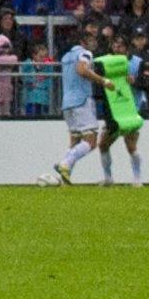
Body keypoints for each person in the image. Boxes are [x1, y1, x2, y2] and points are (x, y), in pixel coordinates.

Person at [47, 36, 111, 186]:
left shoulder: (66, 57)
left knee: (75, 141)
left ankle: (64, 179)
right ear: (83, 42)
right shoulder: (85, 53)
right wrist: (103, 81)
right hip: (82, 100)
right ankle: (64, 164)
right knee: (91, 140)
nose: (95, 41)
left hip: (67, 102)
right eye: (91, 39)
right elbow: (81, 70)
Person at [93, 42, 146, 187]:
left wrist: (134, 82)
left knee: (131, 146)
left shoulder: (137, 63)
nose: (117, 48)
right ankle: (108, 178)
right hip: (114, 112)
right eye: (115, 45)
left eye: (120, 46)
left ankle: (137, 179)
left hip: (131, 109)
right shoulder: (107, 64)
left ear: (127, 48)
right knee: (103, 144)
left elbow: (146, 85)